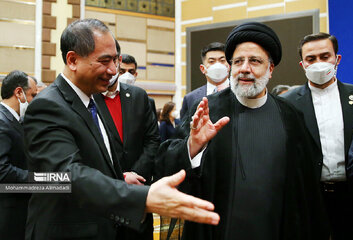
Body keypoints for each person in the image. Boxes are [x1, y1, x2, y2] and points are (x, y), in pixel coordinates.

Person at [23, 18, 219, 240]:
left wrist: (191, 145)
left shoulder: (91, 101)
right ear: (73, 60)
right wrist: (142, 197)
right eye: (105, 61)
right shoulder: (48, 106)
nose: (113, 70)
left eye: (115, 60)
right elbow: (66, 175)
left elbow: (103, 162)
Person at [156, 22, 328, 240]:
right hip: (220, 230)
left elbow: (306, 188)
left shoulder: (290, 116)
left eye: (254, 61)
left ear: (271, 68)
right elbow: (165, 162)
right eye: (238, 61)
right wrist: (193, 146)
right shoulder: (208, 110)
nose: (245, 68)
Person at [281, 32, 353, 239]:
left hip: (352, 195)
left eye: (325, 57)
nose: (318, 63)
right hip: (310, 198)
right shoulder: (287, 103)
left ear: (337, 59)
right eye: (311, 59)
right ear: (302, 65)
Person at [94, 41, 160, 239]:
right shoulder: (87, 99)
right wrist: (119, 178)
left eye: (112, 61)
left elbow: (152, 141)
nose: (108, 68)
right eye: (101, 61)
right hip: (103, 197)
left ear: (118, 61)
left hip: (138, 193)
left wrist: (136, 175)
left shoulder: (140, 97)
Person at [0, 70, 37, 239]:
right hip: (8, 209)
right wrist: (38, 179)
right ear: (19, 92)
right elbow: (3, 170)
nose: (34, 100)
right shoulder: (2, 121)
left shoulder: (14, 120)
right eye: (33, 95)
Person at [180, 42, 230, 121]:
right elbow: (183, 131)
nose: (217, 65)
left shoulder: (241, 92)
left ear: (229, 65)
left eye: (222, 60)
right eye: (211, 61)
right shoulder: (190, 98)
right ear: (203, 69)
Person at [118, 53, 157, 117]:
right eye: (121, 72)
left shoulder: (147, 102)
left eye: (131, 72)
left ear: (135, 75)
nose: (127, 76)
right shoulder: (108, 99)